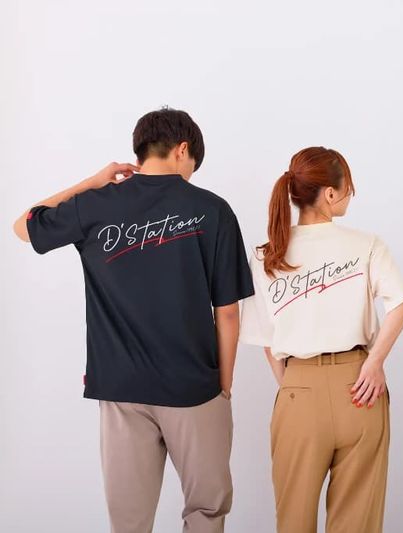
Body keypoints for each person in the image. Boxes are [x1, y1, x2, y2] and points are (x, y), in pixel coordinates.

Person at [12, 108, 254, 533]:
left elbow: (23, 226)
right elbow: (228, 312)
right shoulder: (212, 209)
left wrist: (91, 183)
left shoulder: (95, 205)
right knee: (207, 510)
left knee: (128, 522)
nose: (190, 176)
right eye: (193, 165)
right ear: (182, 150)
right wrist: (224, 387)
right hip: (194, 387)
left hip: (121, 388)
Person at [239, 146, 403, 533]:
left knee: (293, 521)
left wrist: (294, 386)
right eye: (349, 186)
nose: (352, 193)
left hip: (298, 390)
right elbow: (402, 301)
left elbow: (267, 341)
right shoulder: (366, 244)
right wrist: (374, 363)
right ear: (330, 193)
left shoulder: (267, 254)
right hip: (361, 387)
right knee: (357, 523)